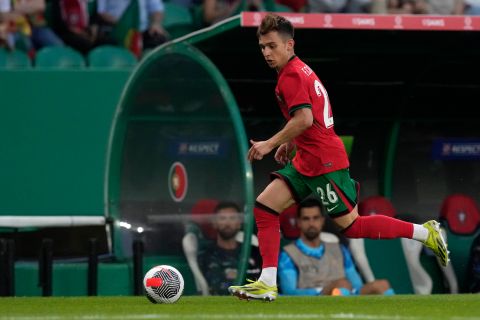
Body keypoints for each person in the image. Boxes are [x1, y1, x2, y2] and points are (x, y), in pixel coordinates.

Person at [228, 13, 449, 301]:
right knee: (265, 208)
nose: (267, 53)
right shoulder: (298, 70)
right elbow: (309, 119)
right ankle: (267, 282)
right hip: (307, 157)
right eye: (262, 47)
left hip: (324, 162)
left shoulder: (291, 75)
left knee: (353, 226)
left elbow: (305, 118)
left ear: (289, 45)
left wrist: (270, 143)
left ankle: (425, 232)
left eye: (272, 46)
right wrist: (292, 143)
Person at [279, 198, 394, 296]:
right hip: (317, 299)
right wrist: (325, 290)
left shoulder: (339, 249)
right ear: (298, 222)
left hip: (346, 292)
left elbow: (356, 285)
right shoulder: (288, 254)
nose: (311, 223)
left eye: (315, 218)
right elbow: (289, 292)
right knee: (341, 285)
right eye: (306, 219)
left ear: (322, 221)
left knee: (382, 285)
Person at [198, 201, 262, 295]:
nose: (227, 223)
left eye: (232, 218)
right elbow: (220, 289)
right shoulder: (207, 255)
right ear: (215, 223)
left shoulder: (252, 252)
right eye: (222, 218)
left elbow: (269, 284)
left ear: (239, 223)